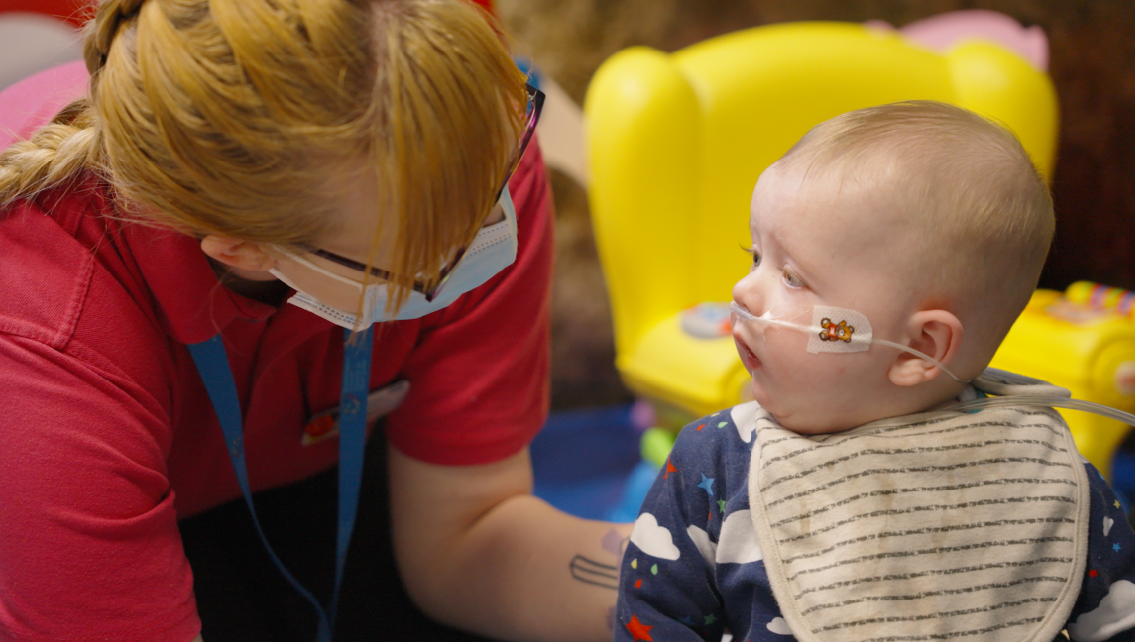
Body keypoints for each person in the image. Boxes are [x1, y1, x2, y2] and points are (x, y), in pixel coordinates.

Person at [0, 1, 632, 641]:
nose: (489, 234)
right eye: (423, 262)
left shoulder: (471, 158)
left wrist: (685, 579)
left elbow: (468, 534)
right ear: (243, 250)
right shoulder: (42, 335)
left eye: (497, 181)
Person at [614, 101, 1135, 642]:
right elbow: (655, 615)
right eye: (754, 256)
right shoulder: (720, 460)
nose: (743, 291)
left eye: (792, 277)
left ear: (917, 349)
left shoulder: (1046, 471)